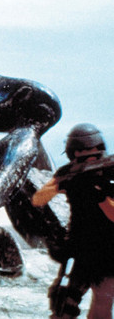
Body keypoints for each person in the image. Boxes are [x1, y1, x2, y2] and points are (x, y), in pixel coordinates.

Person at [32, 123, 114, 318]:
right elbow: (38, 199)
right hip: (79, 247)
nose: (89, 156)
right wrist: (64, 182)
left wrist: (100, 194)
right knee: (62, 303)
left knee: (102, 303)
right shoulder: (69, 172)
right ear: (73, 153)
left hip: (108, 249)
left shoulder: (109, 173)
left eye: (93, 152)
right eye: (82, 153)